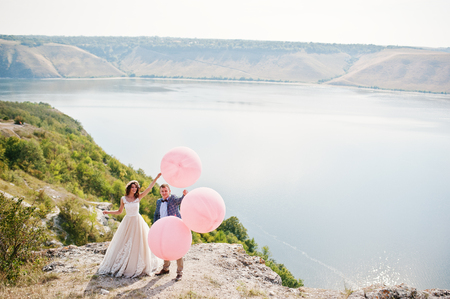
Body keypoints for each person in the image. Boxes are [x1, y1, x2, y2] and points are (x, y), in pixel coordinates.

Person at [97, 173, 162, 278]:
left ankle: (137, 264)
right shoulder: (123, 198)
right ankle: (124, 264)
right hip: (127, 221)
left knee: (139, 243)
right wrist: (108, 212)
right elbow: (119, 211)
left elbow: (149, 188)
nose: (134, 189)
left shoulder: (138, 197)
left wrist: (156, 178)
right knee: (124, 242)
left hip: (137, 222)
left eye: (136, 187)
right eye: (132, 187)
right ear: (129, 188)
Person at [154, 184, 188, 281]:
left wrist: (184, 195)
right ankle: (165, 269)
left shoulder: (173, 198)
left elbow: (180, 200)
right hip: (163, 228)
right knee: (165, 249)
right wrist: (155, 226)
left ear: (169, 191)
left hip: (175, 228)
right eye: (162, 191)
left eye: (165, 190)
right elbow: (156, 214)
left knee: (178, 249)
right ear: (160, 192)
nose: (164, 193)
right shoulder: (158, 202)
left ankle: (179, 273)